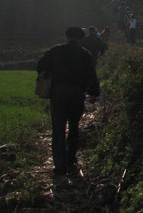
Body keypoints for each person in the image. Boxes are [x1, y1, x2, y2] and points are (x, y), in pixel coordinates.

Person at [37, 26, 100, 178]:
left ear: (66, 36)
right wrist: (94, 93)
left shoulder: (56, 50)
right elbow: (91, 75)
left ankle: (59, 166)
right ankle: (71, 159)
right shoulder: (85, 54)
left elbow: (40, 66)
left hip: (58, 93)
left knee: (58, 129)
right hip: (77, 93)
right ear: (81, 38)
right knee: (74, 126)